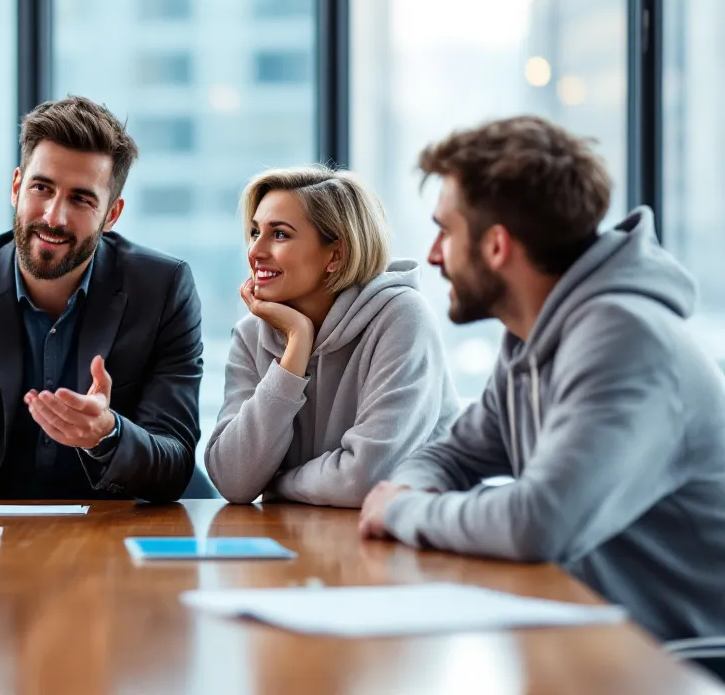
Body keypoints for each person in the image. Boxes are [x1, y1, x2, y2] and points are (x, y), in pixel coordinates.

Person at [359, 115, 725, 645]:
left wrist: (401, 509)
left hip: (676, 660)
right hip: (588, 636)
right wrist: (406, 491)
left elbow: (537, 522)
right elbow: (452, 456)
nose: (434, 254)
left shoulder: (626, 339)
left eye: (446, 231)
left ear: (497, 246)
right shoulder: (529, 338)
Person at [0, 96, 204, 524]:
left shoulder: (163, 289)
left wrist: (108, 435)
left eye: (81, 199)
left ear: (111, 214)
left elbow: (175, 461)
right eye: (42, 188)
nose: (54, 217)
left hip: (113, 532)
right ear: (16, 187)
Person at [205, 166, 458, 506]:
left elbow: (364, 478)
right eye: (255, 232)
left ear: (335, 255)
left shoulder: (403, 318)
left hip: (411, 530)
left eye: (279, 234)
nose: (255, 251)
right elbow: (232, 481)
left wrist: (280, 484)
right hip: (299, 531)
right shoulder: (252, 333)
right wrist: (296, 346)